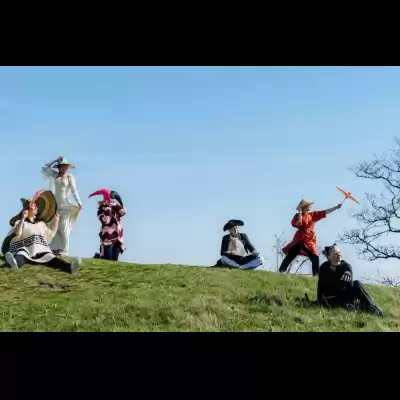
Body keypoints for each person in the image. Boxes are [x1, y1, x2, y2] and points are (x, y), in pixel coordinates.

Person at [2, 191, 81, 274]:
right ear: (27, 209)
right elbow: (16, 233)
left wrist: (56, 221)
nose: (36, 207)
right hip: (25, 249)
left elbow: (50, 235)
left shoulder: (41, 224)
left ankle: (70, 268)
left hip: (39, 251)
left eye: (36, 206)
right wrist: (22, 218)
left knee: (51, 258)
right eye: (33, 205)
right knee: (22, 253)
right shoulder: (20, 222)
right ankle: (14, 264)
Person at [279, 199, 342, 276]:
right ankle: (281, 270)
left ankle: (316, 275)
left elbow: (324, 212)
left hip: (309, 240)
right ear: (305, 207)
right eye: (309, 205)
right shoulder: (297, 216)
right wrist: (300, 212)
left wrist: (336, 207)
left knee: (315, 257)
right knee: (291, 255)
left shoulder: (312, 215)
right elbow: (299, 224)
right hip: (299, 239)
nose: (311, 207)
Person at [317, 244, 383, 316]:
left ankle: (373, 309)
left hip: (345, 295)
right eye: (335, 254)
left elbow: (350, 285)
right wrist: (319, 301)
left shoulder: (346, 265)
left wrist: (348, 273)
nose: (339, 255)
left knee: (357, 283)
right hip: (332, 299)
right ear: (329, 257)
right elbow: (320, 286)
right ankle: (357, 307)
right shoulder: (323, 267)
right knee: (342, 306)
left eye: (339, 253)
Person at [41, 156, 83, 257]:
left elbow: (74, 191)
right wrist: (55, 160)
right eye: (62, 166)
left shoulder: (69, 177)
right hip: (55, 205)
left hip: (65, 205)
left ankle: (65, 250)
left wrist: (79, 202)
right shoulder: (55, 175)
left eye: (66, 166)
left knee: (64, 228)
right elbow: (44, 167)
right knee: (54, 227)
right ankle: (55, 248)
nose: (64, 168)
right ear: (59, 167)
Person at [88, 189, 126, 261]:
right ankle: (97, 256)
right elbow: (106, 220)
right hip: (108, 236)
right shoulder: (101, 210)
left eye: (111, 200)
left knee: (114, 259)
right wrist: (108, 209)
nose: (110, 202)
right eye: (108, 200)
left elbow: (123, 212)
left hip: (118, 236)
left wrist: (116, 205)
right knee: (107, 258)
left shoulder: (115, 208)